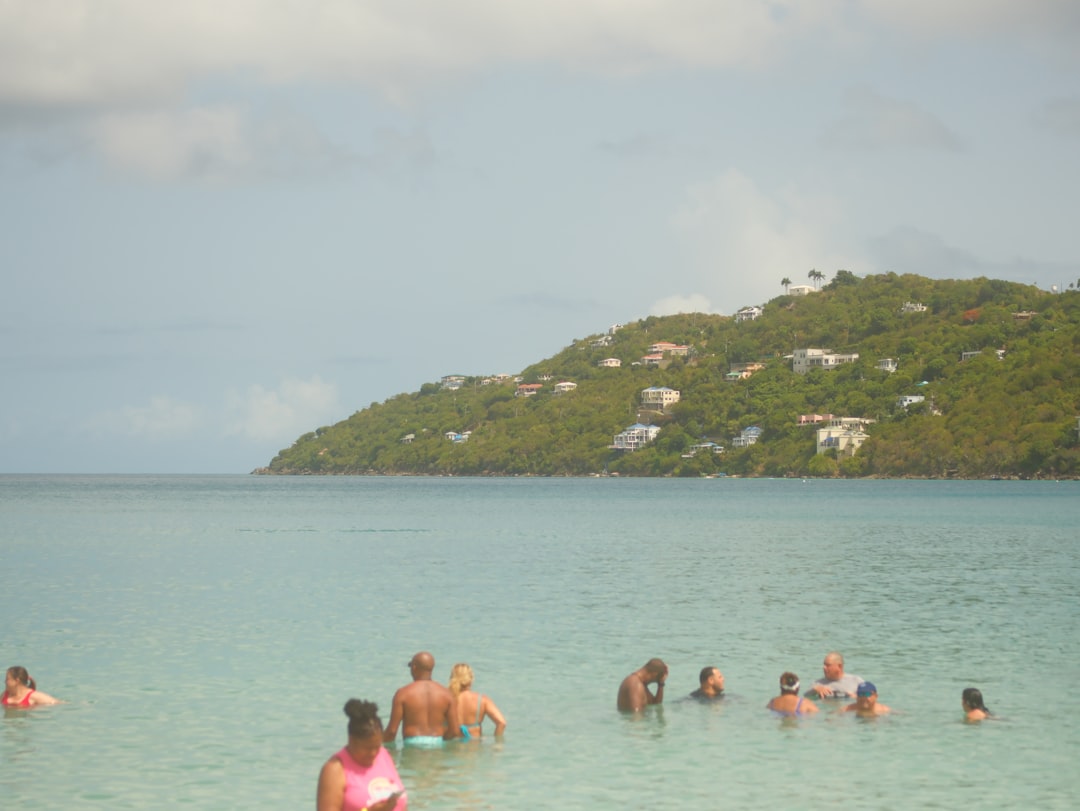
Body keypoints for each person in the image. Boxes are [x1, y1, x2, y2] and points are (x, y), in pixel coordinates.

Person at [317, 699, 407, 811]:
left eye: (377, 747)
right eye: (367, 748)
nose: (373, 753)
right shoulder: (335, 770)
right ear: (351, 740)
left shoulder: (384, 755)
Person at [383, 652, 460, 746]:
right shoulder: (447, 694)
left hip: (412, 746)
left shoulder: (402, 694)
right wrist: (440, 741)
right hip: (437, 745)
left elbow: (391, 732)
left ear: (414, 667)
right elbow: (455, 732)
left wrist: (375, 745)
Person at [448, 663, 506, 738]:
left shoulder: (446, 698)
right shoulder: (482, 700)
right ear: (471, 679)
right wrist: (497, 742)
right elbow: (501, 723)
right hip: (475, 744)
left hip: (452, 743)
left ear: (452, 678)